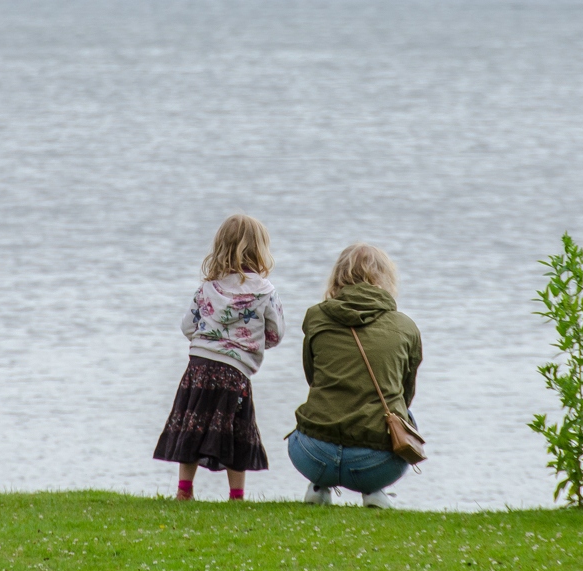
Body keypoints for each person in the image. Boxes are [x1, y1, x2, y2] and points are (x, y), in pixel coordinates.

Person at [153, 214, 284, 501]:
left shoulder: (207, 288)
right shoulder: (265, 291)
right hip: (235, 371)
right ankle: (236, 494)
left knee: (192, 423)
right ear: (260, 250)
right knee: (237, 428)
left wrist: (208, 340)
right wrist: (250, 343)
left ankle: (184, 490)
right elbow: (276, 333)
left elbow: (187, 326)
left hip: (198, 366)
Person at [288, 243, 422, 509]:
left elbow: (312, 377)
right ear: (385, 278)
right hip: (377, 464)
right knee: (405, 416)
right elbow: (406, 394)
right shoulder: (405, 327)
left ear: (338, 276)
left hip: (313, 456)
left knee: (323, 404)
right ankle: (374, 491)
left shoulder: (316, 317)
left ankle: (318, 486)